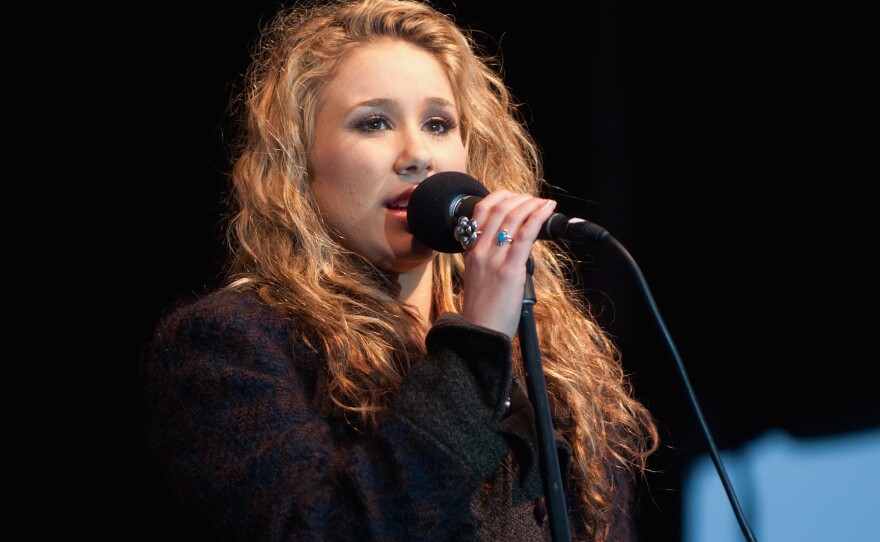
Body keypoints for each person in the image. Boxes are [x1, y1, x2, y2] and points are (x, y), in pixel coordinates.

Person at [140, 0, 659, 540]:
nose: (417, 155)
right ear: (302, 162)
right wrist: (476, 345)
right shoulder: (231, 348)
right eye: (374, 123)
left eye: (438, 124)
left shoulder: (550, 360)